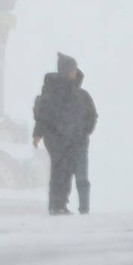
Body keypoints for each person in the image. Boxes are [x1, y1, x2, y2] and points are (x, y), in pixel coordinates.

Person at [32, 53, 99, 215]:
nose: (75, 71)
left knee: (67, 172)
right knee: (60, 171)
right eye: (72, 68)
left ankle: (63, 205)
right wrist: (38, 134)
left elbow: (91, 115)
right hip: (57, 138)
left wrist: (84, 130)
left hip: (75, 140)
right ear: (66, 70)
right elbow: (43, 114)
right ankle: (57, 206)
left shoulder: (80, 94)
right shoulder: (53, 91)